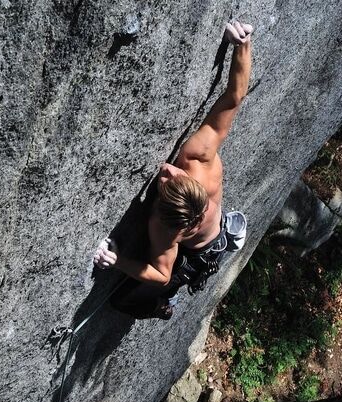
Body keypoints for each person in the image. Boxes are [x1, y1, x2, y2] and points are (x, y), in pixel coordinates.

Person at [94, 19, 253, 319]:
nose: (166, 171)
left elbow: (161, 274)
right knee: (215, 235)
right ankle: (228, 234)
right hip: (212, 225)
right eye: (174, 177)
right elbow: (235, 96)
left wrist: (115, 260)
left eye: (165, 185)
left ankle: (164, 307)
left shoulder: (165, 230)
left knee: (123, 301)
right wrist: (242, 43)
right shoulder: (200, 159)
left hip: (193, 255)